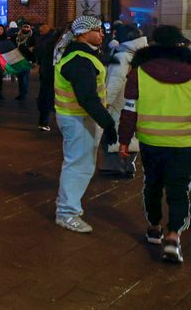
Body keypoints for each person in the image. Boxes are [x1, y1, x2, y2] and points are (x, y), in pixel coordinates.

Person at [119, 25, 191, 263]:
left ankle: (154, 227)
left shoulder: (139, 72)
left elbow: (129, 109)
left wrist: (124, 140)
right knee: (179, 189)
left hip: (151, 140)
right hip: (184, 141)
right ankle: (173, 237)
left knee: (152, 184)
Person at [52, 15, 115, 234]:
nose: (102, 33)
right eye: (98, 29)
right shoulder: (80, 59)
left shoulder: (81, 55)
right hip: (78, 117)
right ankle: (67, 213)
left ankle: (66, 206)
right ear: (82, 34)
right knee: (79, 165)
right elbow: (87, 97)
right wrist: (108, 123)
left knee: (78, 163)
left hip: (76, 116)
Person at [101, 25, 148, 174]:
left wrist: (105, 102)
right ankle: (129, 165)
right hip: (135, 100)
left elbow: (115, 82)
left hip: (120, 100)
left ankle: (115, 166)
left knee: (115, 130)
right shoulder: (143, 55)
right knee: (132, 132)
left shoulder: (122, 56)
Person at [35, 24, 60, 130]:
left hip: (46, 71)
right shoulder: (51, 41)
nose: (41, 31)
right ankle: (44, 121)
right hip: (52, 72)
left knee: (46, 95)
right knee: (49, 95)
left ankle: (43, 121)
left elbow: (39, 54)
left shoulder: (45, 41)